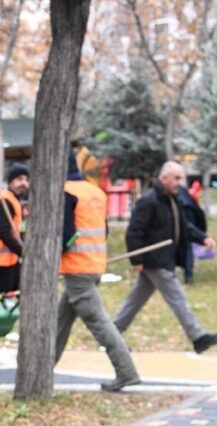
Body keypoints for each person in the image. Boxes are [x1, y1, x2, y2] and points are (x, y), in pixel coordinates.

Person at [114, 162, 217, 354]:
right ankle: (198, 337)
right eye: (176, 178)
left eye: (181, 178)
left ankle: (112, 334)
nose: (179, 183)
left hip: (164, 258)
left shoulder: (173, 200)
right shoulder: (149, 200)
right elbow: (134, 232)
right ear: (163, 178)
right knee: (177, 297)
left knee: (135, 301)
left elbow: (185, 226)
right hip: (155, 260)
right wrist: (137, 260)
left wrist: (202, 238)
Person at [54, 152, 140, 392]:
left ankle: (126, 372)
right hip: (94, 264)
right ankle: (44, 366)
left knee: (99, 322)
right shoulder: (95, 192)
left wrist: (52, 258)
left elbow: (67, 233)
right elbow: (104, 230)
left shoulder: (65, 191)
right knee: (61, 321)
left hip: (76, 267)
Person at [0, 163, 29, 295]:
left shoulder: (14, 200)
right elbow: (3, 232)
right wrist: (23, 251)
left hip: (10, 260)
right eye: (19, 179)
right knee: (1, 302)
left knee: (15, 296)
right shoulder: (4, 201)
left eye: (26, 179)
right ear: (11, 182)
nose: (24, 183)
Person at [177, 184, 207, 283]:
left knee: (187, 247)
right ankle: (188, 275)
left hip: (185, 219)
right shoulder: (184, 192)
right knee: (188, 247)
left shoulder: (176, 192)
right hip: (189, 217)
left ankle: (187, 274)